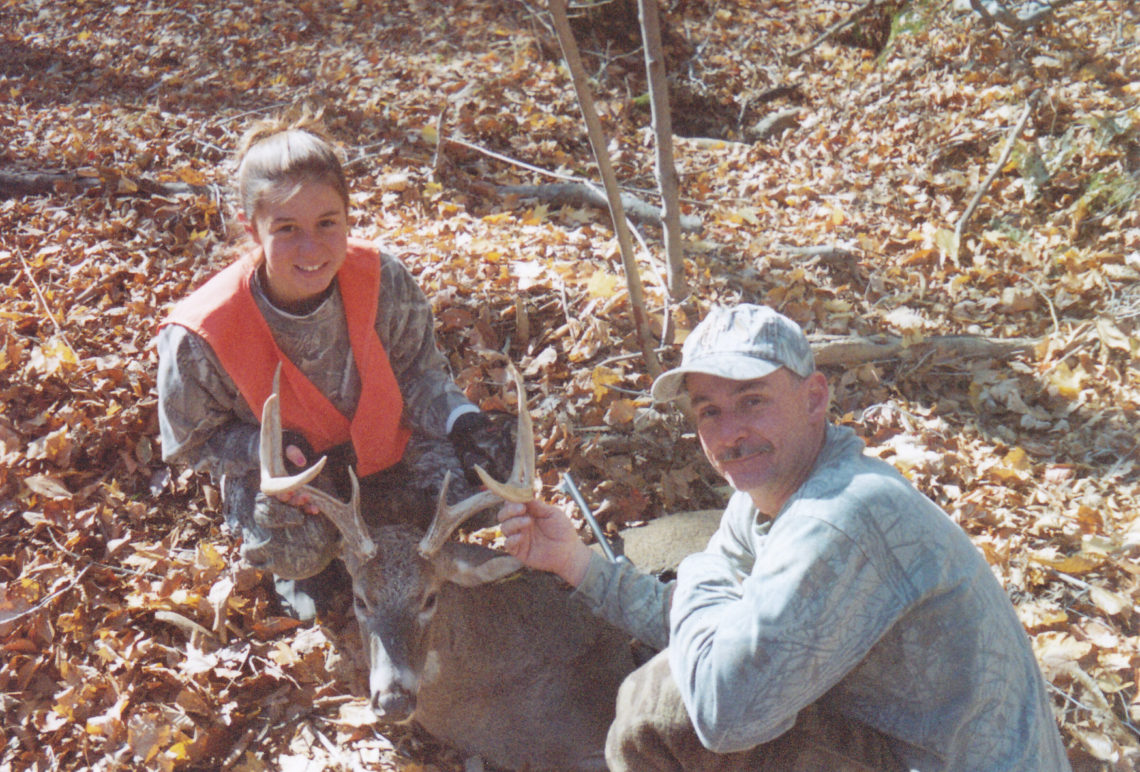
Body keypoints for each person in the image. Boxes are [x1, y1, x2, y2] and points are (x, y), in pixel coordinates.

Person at [498, 304, 1071, 771]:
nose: (731, 433)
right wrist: (579, 565)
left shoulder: (839, 514)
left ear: (815, 398)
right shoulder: (771, 499)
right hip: (902, 746)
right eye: (709, 412)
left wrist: (700, 568)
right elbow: (708, 626)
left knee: (662, 700)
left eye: (753, 401)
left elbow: (725, 713)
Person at [156, 111, 510, 620]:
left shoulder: (382, 279)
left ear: (348, 215)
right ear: (250, 228)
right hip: (295, 483)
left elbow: (420, 377)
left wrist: (466, 422)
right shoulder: (200, 332)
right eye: (286, 229)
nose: (312, 248)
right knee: (297, 550)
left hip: (385, 453)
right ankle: (312, 572)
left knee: (491, 490)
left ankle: (401, 565)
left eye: (328, 223)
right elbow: (190, 444)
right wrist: (265, 449)